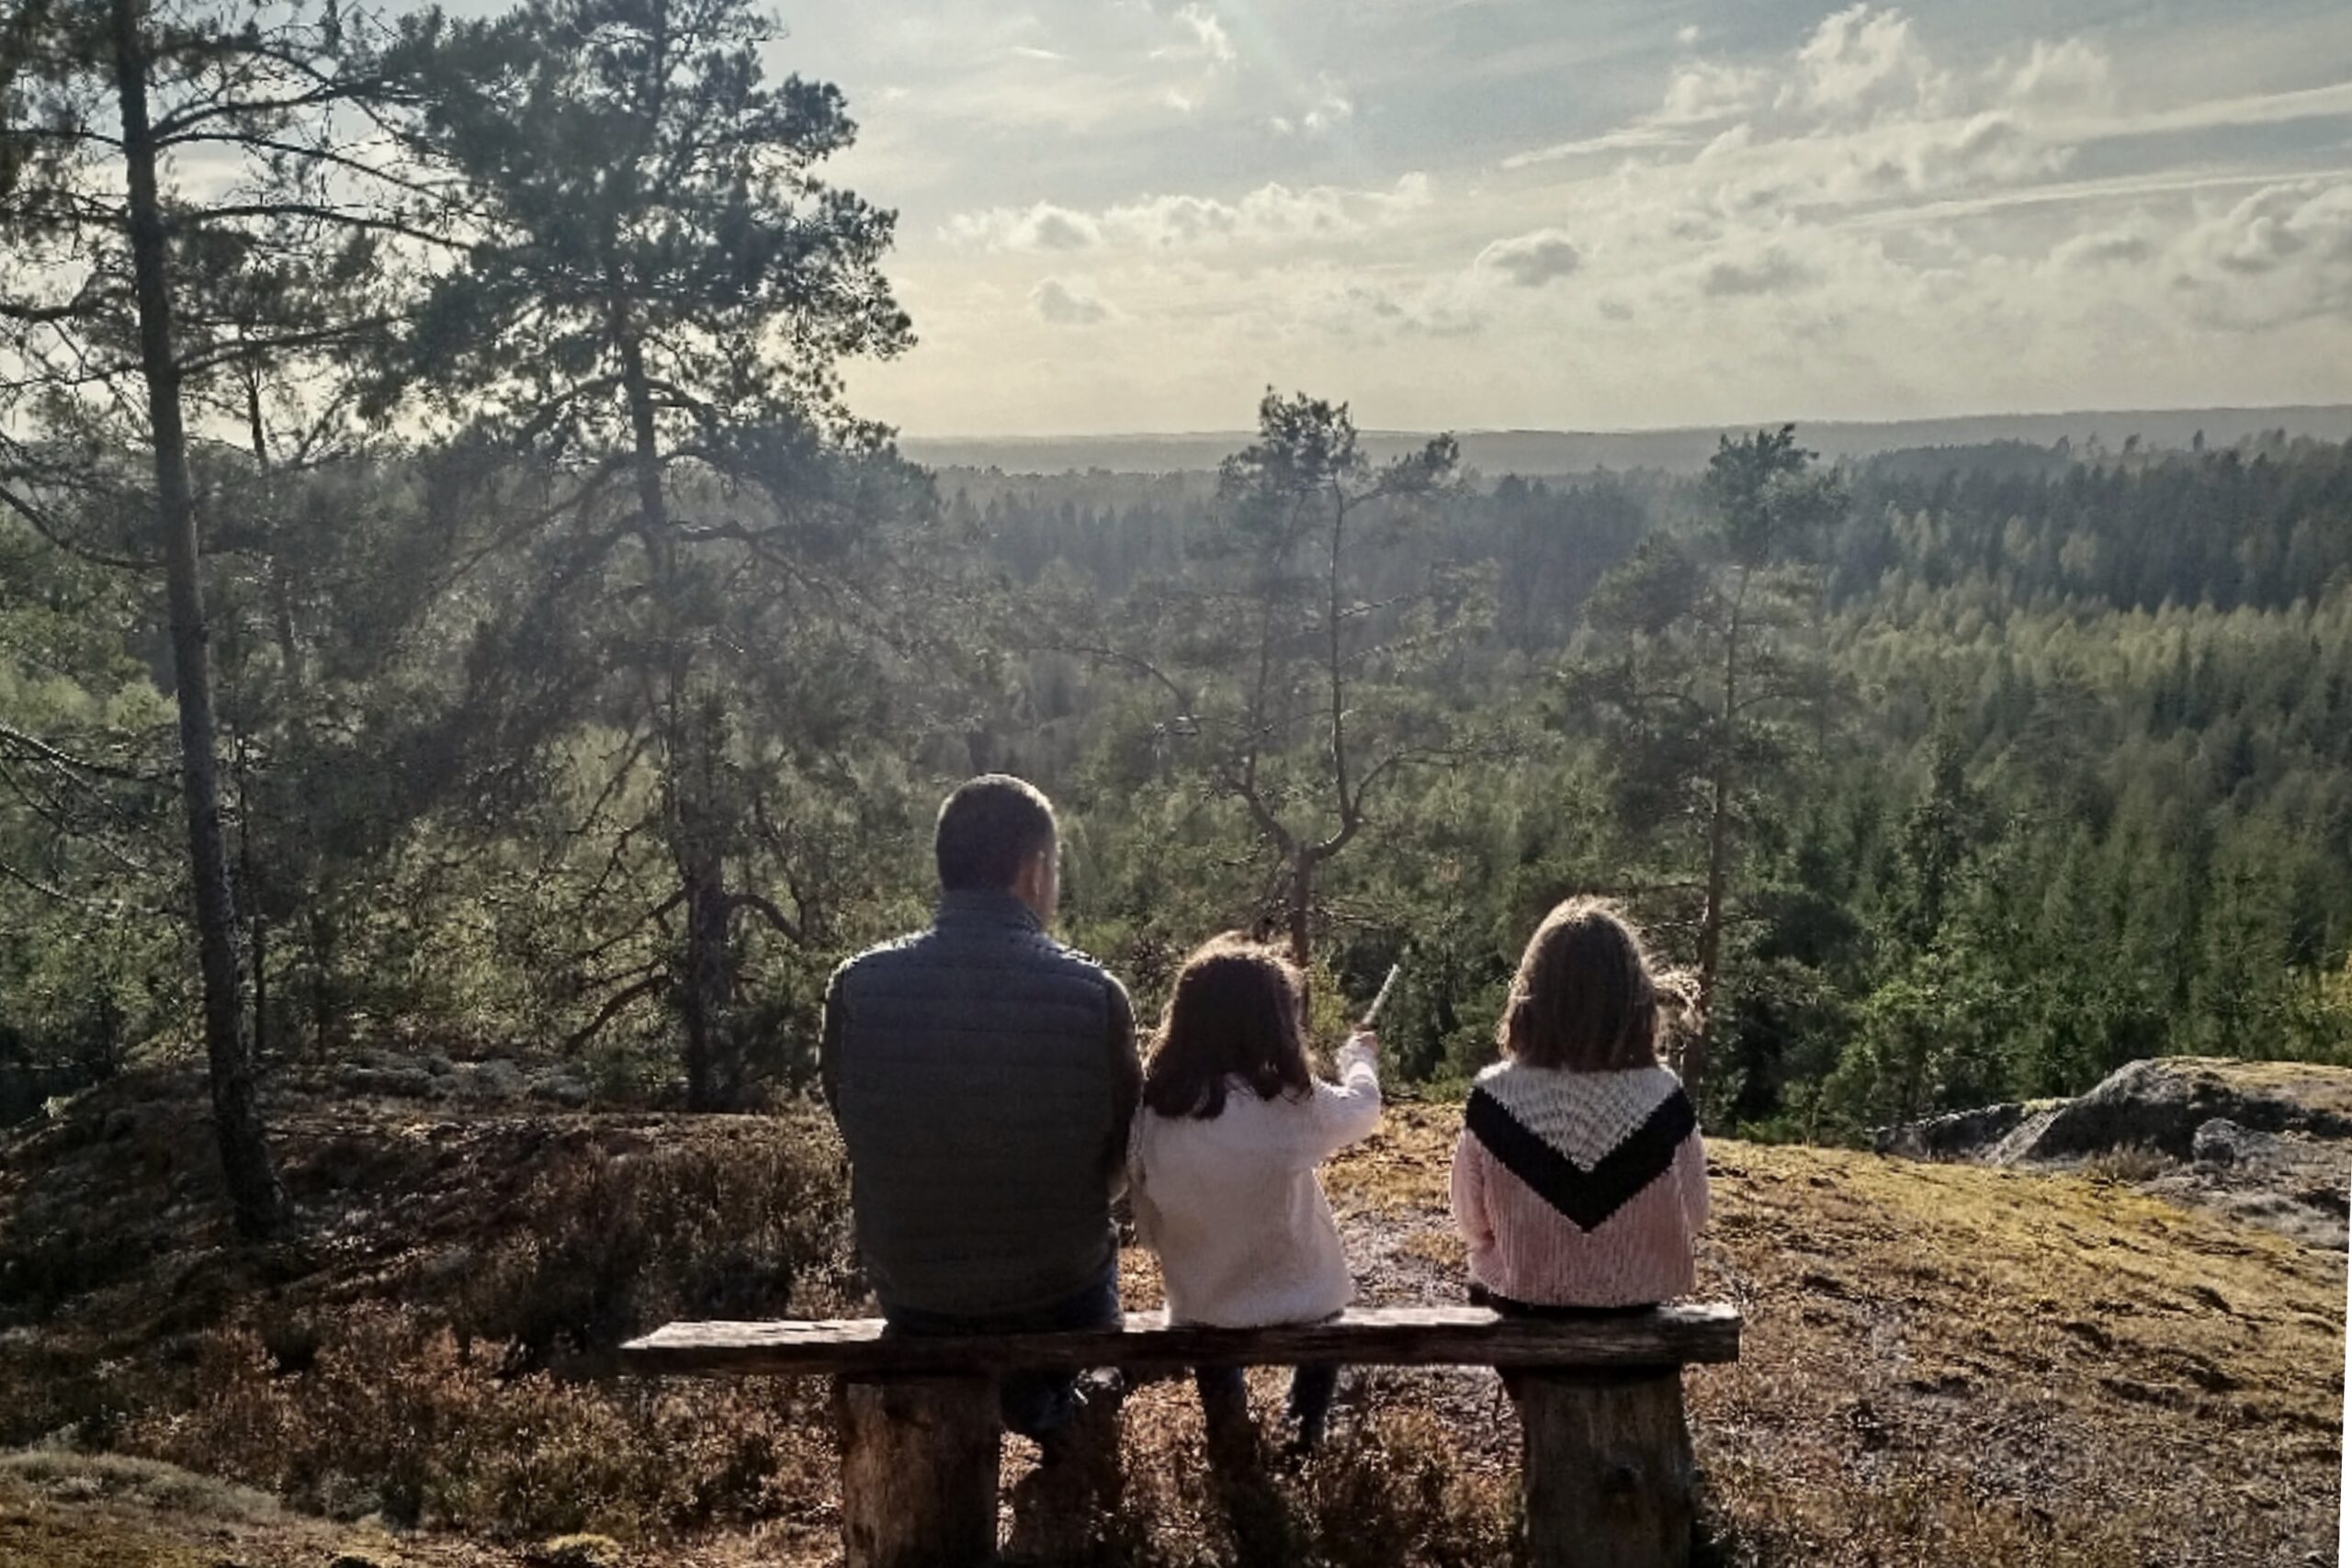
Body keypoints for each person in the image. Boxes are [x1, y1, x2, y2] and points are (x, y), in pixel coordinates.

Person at [820, 774, 1140, 1450]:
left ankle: (1015, 1416)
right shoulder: (1096, 995)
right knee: (1083, 1274)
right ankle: (1057, 1417)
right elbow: (1120, 1162)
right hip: (1059, 1294)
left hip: (916, 1296)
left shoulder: (855, 987)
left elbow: (855, 1124)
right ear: (1035, 870)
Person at [1127, 935, 1382, 1458]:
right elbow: (1363, 1109)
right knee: (1328, 1318)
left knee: (1212, 1333)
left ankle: (1230, 1444)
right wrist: (1358, 1059)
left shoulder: (1153, 1109)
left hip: (1201, 1302)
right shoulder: (1287, 1104)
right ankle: (1303, 1434)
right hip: (1303, 1301)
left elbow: (1144, 1210)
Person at [1450, 898, 1708, 1338]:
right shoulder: (1665, 1097)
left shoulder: (1493, 1098)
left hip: (1525, 1321)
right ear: (1634, 998)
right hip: (1639, 1328)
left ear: (1532, 995)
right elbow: (1695, 1215)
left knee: (1480, 1287)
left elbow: (1471, 1223)